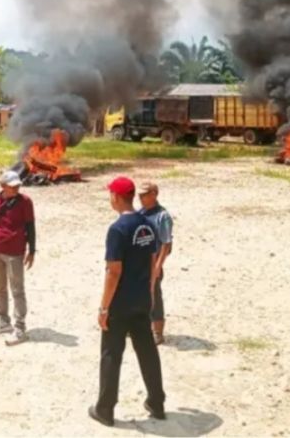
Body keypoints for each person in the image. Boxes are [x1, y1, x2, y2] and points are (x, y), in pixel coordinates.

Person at [89, 176, 166, 427]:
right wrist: (150, 293)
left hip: (120, 303)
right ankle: (157, 402)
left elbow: (114, 271)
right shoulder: (147, 224)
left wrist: (104, 308)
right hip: (142, 299)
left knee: (111, 353)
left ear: (115, 197)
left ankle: (105, 409)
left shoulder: (117, 229)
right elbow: (152, 262)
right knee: (147, 350)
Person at [0, 170, 36, 346]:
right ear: (3, 186)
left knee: (17, 290)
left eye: (18, 185)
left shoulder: (25, 202)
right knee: (0, 288)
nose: (16, 189)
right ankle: (4, 322)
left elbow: (31, 226)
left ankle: (20, 328)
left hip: (15, 252)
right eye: (12, 186)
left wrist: (32, 251)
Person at [138, 182, 173, 345]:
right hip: (139, 260)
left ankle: (158, 332)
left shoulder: (162, 216)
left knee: (154, 296)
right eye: (139, 195)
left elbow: (166, 243)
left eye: (144, 195)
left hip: (153, 261)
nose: (141, 198)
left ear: (154, 194)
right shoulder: (140, 213)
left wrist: (158, 266)